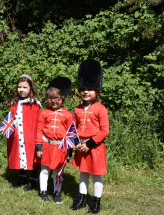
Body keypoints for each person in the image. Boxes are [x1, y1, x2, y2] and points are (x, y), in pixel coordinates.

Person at [70, 59, 109, 214]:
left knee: (96, 176)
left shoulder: (101, 109)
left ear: (97, 91)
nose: (86, 92)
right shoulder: (77, 109)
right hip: (81, 147)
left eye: (90, 89)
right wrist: (76, 144)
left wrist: (90, 144)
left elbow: (104, 130)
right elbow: (72, 128)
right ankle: (81, 199)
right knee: (83, 174)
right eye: (83, 89)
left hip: (95, 148)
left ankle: (96, 202)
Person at [35, 77, 73, 204]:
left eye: (57, 98)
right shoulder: (44, 112)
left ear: (62, 98)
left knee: (58, 171)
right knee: (45, 170)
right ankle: (43, 192)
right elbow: (39, 130)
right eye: (50, 98)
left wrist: (68, 152)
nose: (54, 101)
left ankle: (57, 192)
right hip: (46, 145)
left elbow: (70, 134)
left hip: (60, 147)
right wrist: (39, 147)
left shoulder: (68, 114)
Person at [7, 74, 42, 191]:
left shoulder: (35, 104)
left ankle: (33, 180)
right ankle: (22, 178)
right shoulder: (15, 102)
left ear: (31, 89)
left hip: (31, 136)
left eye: (25, 87)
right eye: (19, 87)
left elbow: (38, 121)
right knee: (19, 154)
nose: (21, 90)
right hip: (18, 134)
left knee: (31, 156)